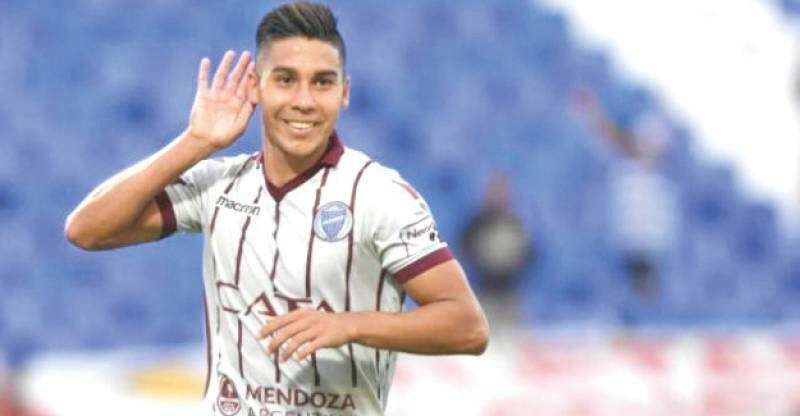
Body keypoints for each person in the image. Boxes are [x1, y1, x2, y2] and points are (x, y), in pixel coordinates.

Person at [64, 2, 489, 415]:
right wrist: (195, 143)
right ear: (256, 85)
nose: (304, 100)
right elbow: (87, 230)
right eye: (285, 80)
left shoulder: (380, 196)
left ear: (344, 92)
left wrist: (349, 324)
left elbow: (468, 327)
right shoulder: (219, 185)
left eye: (322, 83)